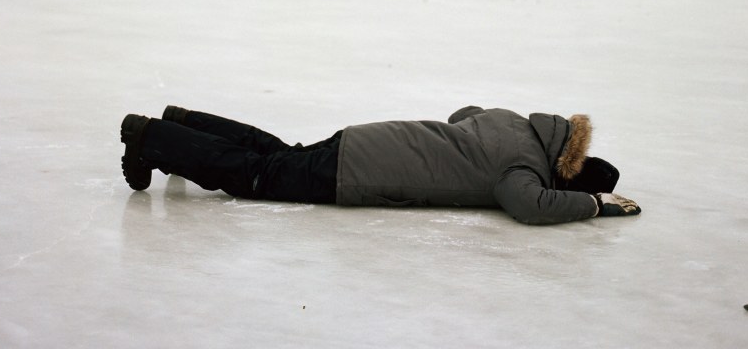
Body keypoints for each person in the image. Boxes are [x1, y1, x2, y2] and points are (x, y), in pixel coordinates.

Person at [119, 105, 641, 224]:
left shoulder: (514, 123)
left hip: (371, 138)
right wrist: (595, 206)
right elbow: (529, 205)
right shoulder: (523, 173)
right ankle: (154, 137)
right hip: (361, 171)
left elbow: (465, 113)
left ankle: (183, 124)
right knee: (256, 177)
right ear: (565, 172)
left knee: (275, 153)